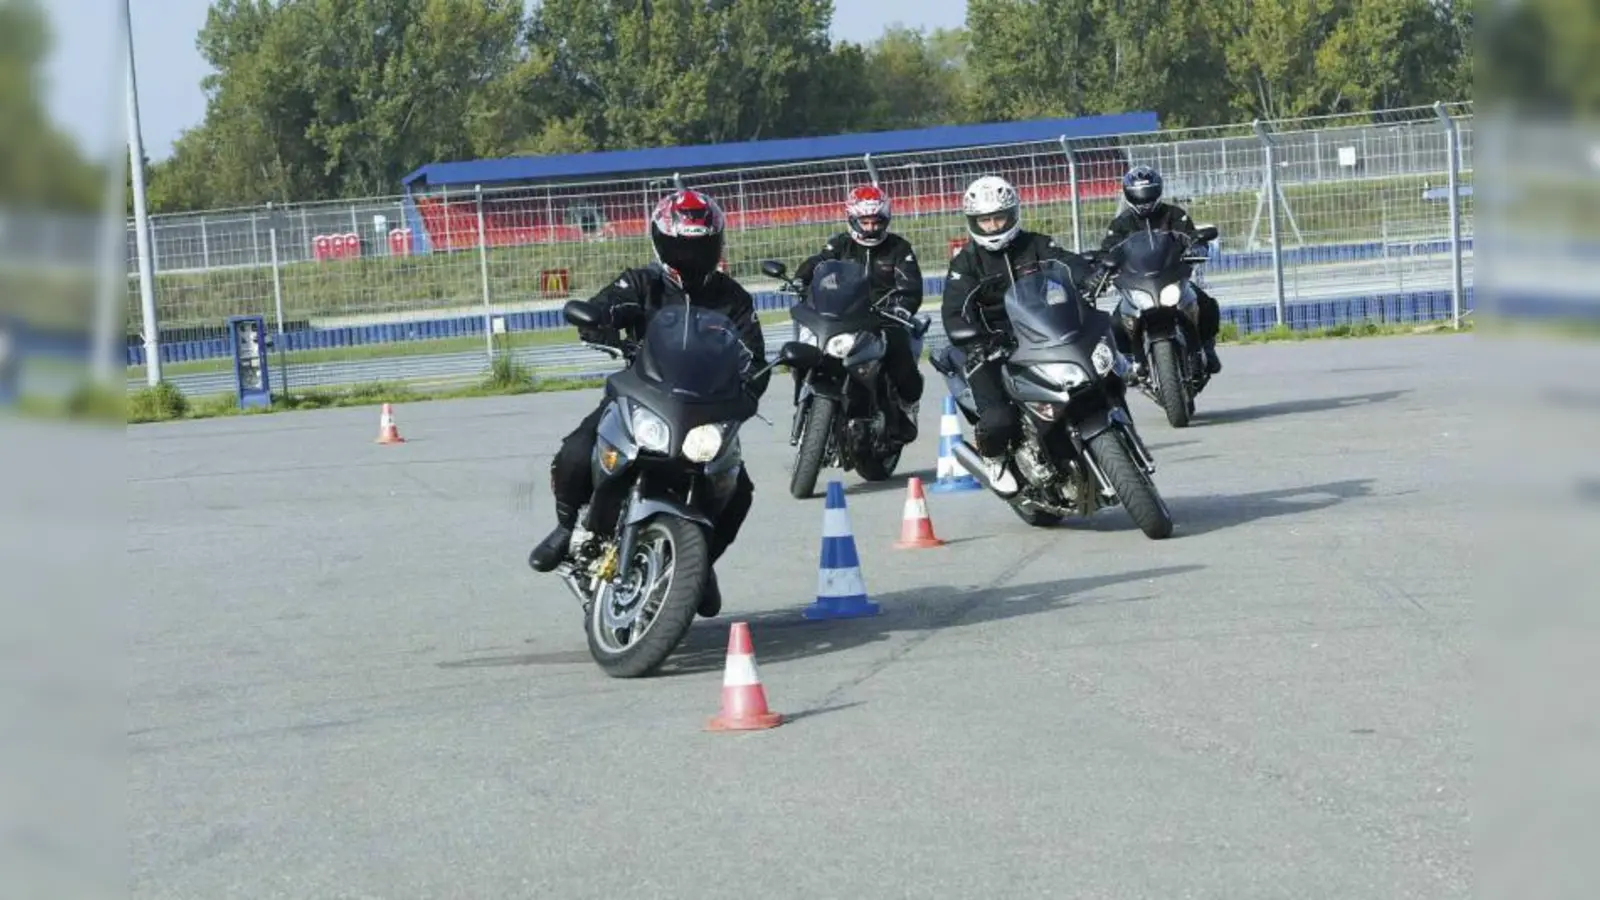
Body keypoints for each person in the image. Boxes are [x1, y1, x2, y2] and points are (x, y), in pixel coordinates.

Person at [527, 189, 769, 619]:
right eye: (682, 244)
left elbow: (754, 353)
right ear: (661, 241)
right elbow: (605, 307)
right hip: (640, 397)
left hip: (703, 414)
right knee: (576, 452)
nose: (691, 253)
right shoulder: (640, 283)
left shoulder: (733, 298)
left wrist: (752, 384)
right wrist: (601, 322)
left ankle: (698, 562)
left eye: (700, 244)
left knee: (740, 492)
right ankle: (566, 527)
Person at [941, 175, 1098, 497]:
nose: (993, 225)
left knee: (1087, 381)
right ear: (973, 222)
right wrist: (971, 337)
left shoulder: (1035, 244)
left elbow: (1068, 263)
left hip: (1041, 331)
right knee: (999, 418)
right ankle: (994, 458)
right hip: (990, 344)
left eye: (999, 217)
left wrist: (1091, 276)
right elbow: (953, 310)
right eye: (985, 220)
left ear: (1013, 215)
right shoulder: (966, 262)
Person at [791, 184, 926, 441]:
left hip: (882, 316)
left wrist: (901, 307)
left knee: (898, 345)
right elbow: (819, 263)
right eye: (864, 221)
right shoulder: (839, 245)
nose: (871, 227)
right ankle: (808, 396)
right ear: (852, 219)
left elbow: (911, 285)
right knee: (806, 347)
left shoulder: (899, 248)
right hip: (844, 312)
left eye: (877, 221)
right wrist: (799, 279)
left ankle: (907, 405)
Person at [1099, 165, 1223, 374]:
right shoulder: (1120, 224)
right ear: (1128, 195)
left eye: (1148, 195)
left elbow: (1191, 237)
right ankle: (1131, 361)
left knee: (1206, 304)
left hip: (1171, 276)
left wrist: (1197, 247)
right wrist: (1102, 266)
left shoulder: (1175, 215)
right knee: (1115, 323)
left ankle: (1207, 347)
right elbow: (1108, 250)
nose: (1144, 201)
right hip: (1137, 282)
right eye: (1138, 196)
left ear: (1158, 191)